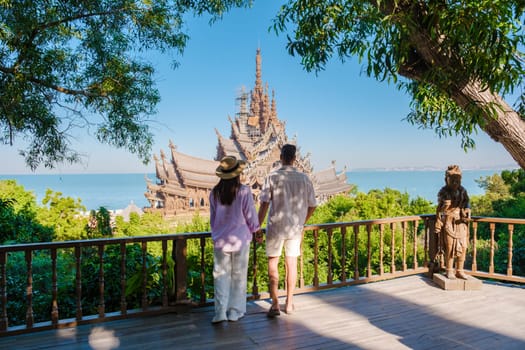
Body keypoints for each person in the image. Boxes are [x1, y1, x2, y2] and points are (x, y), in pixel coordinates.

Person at [257, 144, 317, 317]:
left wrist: (257, 227)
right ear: (295, 158)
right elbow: (312, 205)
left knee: (273, 264)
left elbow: (264, 204)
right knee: (291, 265)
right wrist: (302, 222)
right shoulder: (304, 178)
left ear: (281, 157)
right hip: (294, 228)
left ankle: (275, 303)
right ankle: (289, 303)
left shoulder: (273, 176)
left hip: (275, 226)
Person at [209, 155, 260, 324]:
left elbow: (213, 218)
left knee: (221, 276)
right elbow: (250, 215)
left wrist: (216, 233)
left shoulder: (214, 193)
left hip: (221, 240)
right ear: (237, 174)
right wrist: (257, 230)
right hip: (241, 239)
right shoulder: (244, 191)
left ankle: (220, 312)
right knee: (239, 276)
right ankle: (234, 311)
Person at [435, 164, 471, 280]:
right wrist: (444, 207)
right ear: (447, 180)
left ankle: (460, 270)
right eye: (453, 179)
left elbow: (467, 203)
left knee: (463, 246)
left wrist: (467, 210)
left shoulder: (463, 190)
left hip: (461, 221)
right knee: (450, 247)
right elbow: (439, 209)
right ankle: (449, 270)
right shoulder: (443, 191)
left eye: (458, 179)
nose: (455, 182)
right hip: (449, 221)